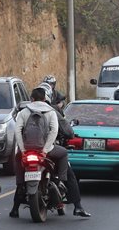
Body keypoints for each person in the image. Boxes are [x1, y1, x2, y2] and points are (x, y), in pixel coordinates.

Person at [10, 86, 90, 219]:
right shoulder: (52, 112)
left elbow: (17, 131)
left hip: (27, 151)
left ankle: (15, 208)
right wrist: (45, 150)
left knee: (19, 165)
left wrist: (23, 150)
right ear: (46, 98)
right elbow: (60, 131)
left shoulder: (23, 112)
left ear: (31, 99)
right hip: (47, 151)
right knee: (64, 157)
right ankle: (73, 200)